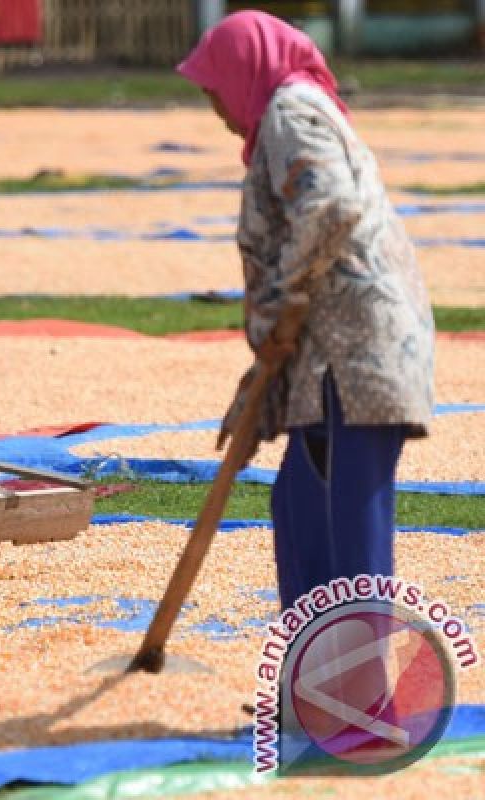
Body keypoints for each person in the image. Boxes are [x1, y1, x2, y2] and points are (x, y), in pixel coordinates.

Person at [177, 12, 435, 609]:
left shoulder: (291, 111)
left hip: (359, 353)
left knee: (349, 529)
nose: (214, 105)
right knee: (297, 505)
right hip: (331, 356)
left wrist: (280, 296)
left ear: (243, 70)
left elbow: (329, 205)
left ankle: (364, 696)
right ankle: (312, 678)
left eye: (213, 86)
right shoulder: (285, 116)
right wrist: (255, 399)